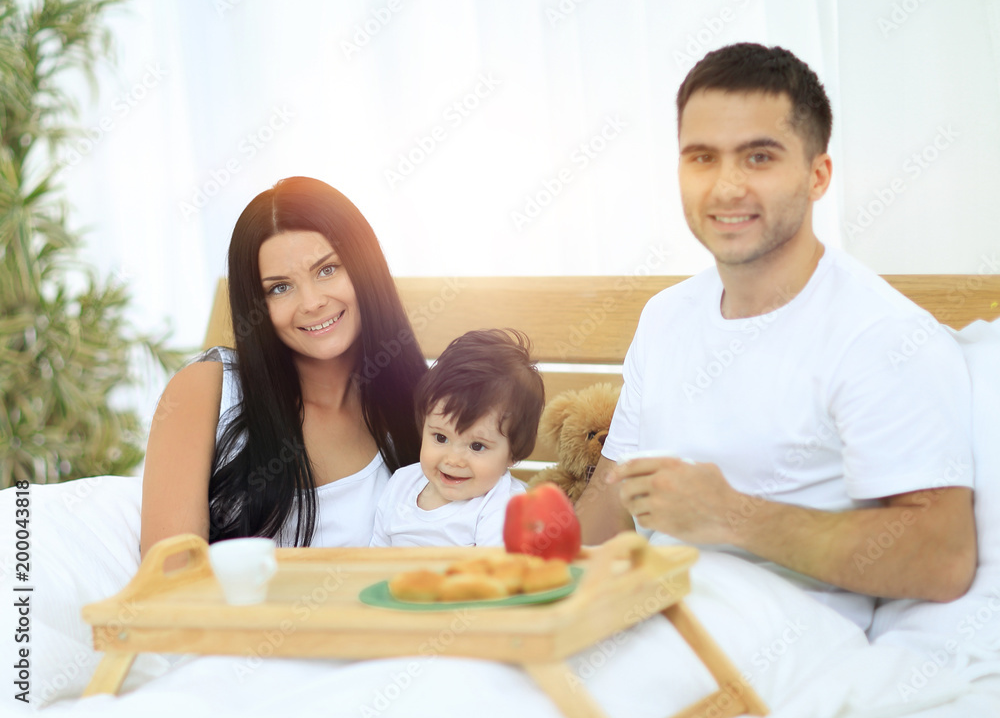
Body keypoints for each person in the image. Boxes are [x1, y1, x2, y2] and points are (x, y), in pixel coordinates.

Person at [575, 43, 976, 630]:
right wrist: (519, 596)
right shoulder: (664, 318)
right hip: (641, 612)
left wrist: (734, 516)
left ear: (818, 175)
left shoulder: (884, 334)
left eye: (759, 157)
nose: (726, 186)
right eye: (702, 157)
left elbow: (943, 558)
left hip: (778, 638)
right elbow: (608, 507)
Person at [140, 177, 428, 556]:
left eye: (327, 270)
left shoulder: (418, 408)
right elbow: (170, 577)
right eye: (279, 288)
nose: (311, 302)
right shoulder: (208, 388)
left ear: (365, 269)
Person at [371, 329, 545, 547]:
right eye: (441, 438)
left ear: (514, 452)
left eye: (477, 446)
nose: (453, 459)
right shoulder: (401, 484)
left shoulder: (505, 507)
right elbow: (375, 557)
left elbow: (496, 576)